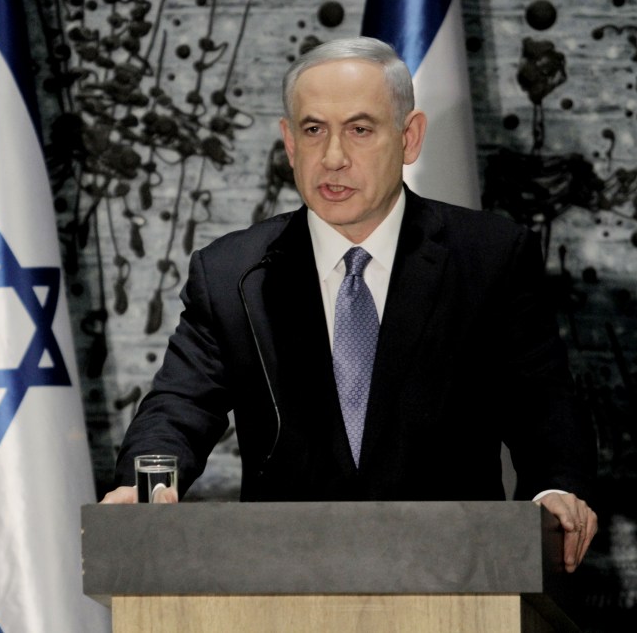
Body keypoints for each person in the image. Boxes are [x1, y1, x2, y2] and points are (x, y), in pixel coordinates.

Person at [100, 36, 597, 572]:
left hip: (456, 578)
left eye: (360, 130)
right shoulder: (231, 274)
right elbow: (180, 406)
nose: (333, 157)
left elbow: (543, 408)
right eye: (314, 131)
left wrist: (554, 494)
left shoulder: (489, 258)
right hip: (283, 582)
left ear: (410, 138)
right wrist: (143, 486)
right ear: (289, 143)